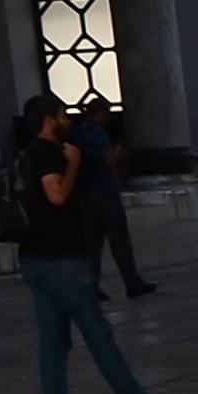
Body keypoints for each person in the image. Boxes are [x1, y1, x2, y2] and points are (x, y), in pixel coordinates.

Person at [14, 92, 181, 394]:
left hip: (36, 259)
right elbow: (57, 194)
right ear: (49, 119)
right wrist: (73, 162)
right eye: (62, 114)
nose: (68, 120)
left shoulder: (28, 156)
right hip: (60, 259)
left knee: (53, 341)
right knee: (97, 333)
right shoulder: (48, 153)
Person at [73, 94, 157, 297]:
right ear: (101, 114)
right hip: (104, 191)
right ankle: (132, 281)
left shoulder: (78, 134)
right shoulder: (98, 135)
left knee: (93, 244)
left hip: (84, 193)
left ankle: (91, 285)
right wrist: (119, 153)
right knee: (119, 240)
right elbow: (109, 161)